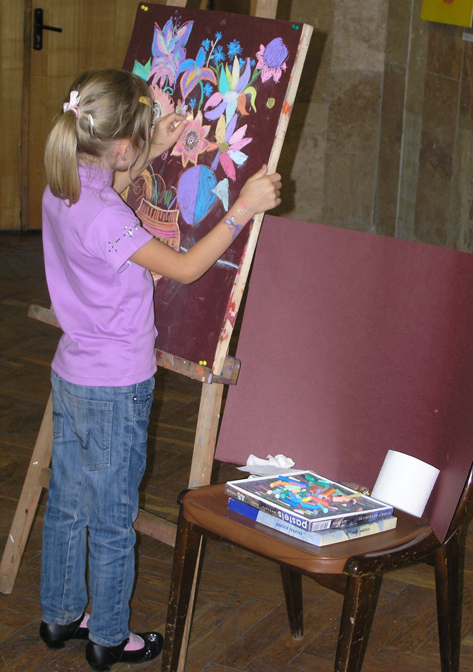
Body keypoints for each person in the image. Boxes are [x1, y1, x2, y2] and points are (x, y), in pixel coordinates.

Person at [39, 68, 281, 672]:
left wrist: (153, 150)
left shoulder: (63, 187)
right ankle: (108, 637)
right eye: (140, 141)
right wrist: (243, 208)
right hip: (116, 386)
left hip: (71, 373)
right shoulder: (109, 217)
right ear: (121, 147)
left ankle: (60, 616)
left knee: (68, 503)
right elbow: (187, 268)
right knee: (113, 518)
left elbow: (111, 184)